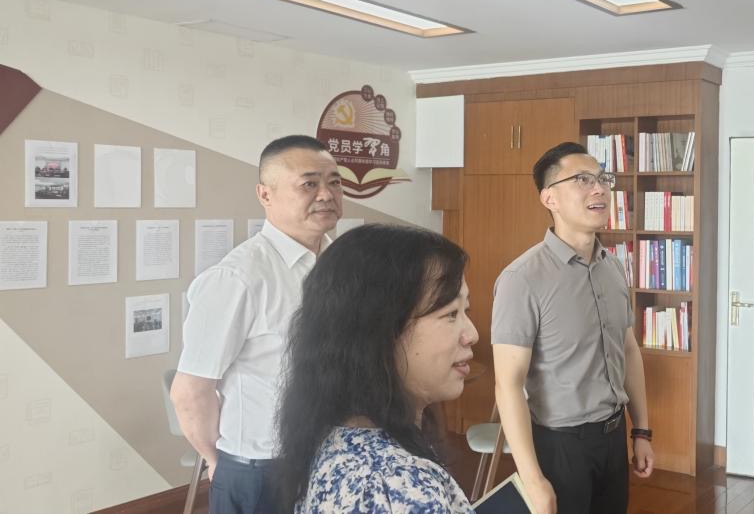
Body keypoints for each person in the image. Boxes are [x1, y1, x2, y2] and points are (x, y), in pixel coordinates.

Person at [170, 135, 342, 513]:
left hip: (332, 454)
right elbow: (190, 391)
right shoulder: (237, 278)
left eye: (334, 182)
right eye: (309, 184)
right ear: (265, 195)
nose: (326, 194)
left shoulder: (341, 264)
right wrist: (218, 460)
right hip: (261, 468)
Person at [491, 142, 654, 514]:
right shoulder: (521, 279)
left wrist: (641, 430)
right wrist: (533, 479)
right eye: (582, 180)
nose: (599, 189)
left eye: (602, 178)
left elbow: (628, 350)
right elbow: (508, 384)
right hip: (560, 446)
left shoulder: (614, 268)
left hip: (614, 438)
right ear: (549, 198)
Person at [275, 224, 477, 514]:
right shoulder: (397, 484)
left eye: (465, 310)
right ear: (378, 333)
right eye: (450, 314)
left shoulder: (339, 437)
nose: (472, 335)